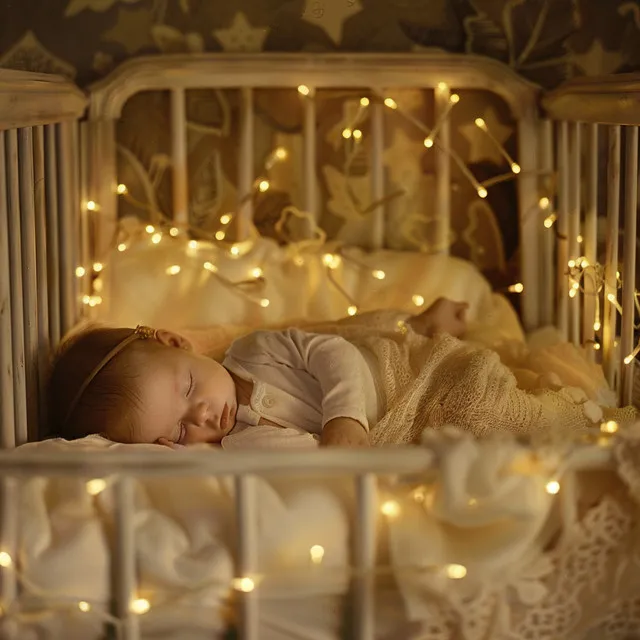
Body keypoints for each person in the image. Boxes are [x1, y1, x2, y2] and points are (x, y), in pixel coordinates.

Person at [47, 299, 469, 449]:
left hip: (394, 371)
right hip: (401, 423)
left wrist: (344, 415)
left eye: (190, 388)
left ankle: (425, 324)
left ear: (177, 343)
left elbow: (333, 352)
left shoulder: (252, 351)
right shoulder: (242, 446)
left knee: (470, 384)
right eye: (178, 432)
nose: (203, 418)